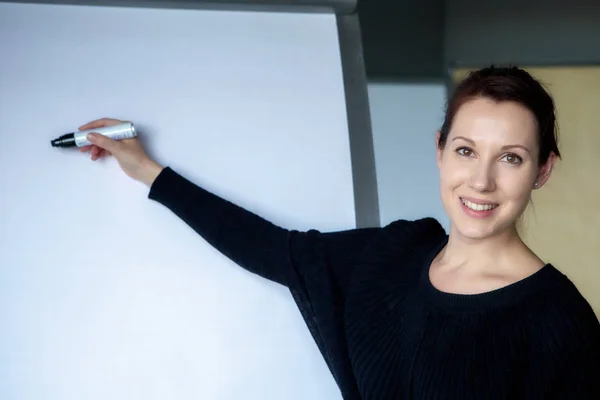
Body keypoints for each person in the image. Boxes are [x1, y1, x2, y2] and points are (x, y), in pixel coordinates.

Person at [78, 66, 599, 399]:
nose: (481, 181)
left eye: (510, 158)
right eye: (466, 150)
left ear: (543, 170)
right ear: (439, 150)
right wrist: (148, 170)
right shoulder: (393, 255)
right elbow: (271, 250)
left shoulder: (559, 320)